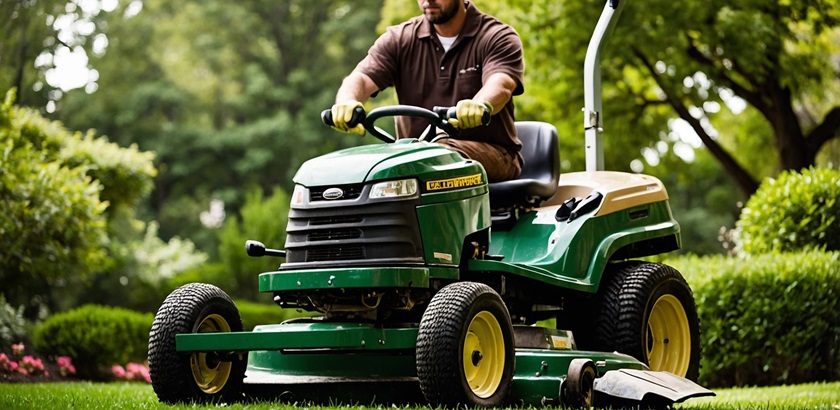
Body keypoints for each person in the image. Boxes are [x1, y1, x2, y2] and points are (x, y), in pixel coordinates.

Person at [330, 0, 525, 182]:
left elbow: (501, 85)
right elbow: (361, 79)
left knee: (435, 158)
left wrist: (481, 104)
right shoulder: (399, 39)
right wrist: (346, 102)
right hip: (414, 159)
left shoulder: (497, 36)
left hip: (496, 156)